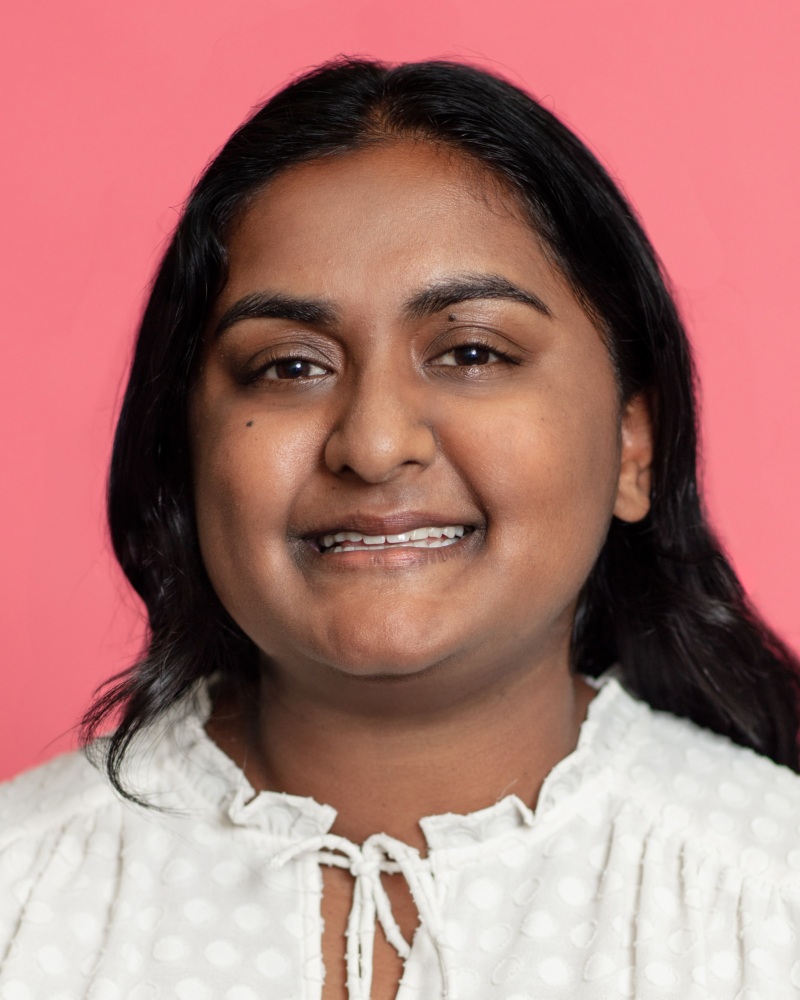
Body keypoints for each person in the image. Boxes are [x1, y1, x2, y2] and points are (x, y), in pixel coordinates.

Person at [1, 57, 799, 1000]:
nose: (374, 446)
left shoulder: (771, 895)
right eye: (289, 367)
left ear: (635, 445)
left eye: (471, 352)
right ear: (185, 444)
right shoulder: (24, 894)